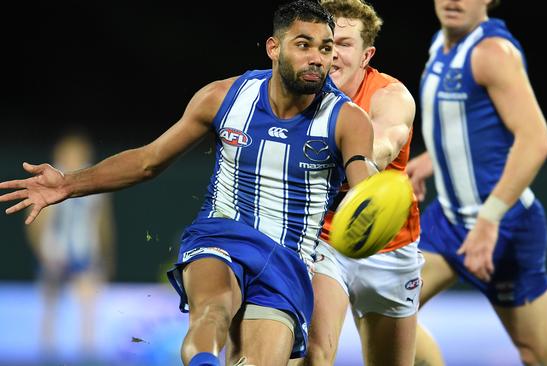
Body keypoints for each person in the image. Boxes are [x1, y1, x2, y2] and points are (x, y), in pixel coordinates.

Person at [0, 1, 380, 365]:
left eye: (326, 48)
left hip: (285, 260)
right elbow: (149, 161)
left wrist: (372, 206)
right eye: (304, 45)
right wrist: (68, 184)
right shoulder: (224, 97)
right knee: (211, 311)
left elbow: (362, 185)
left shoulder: (348, 119)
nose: (318, 57)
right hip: (221, 235)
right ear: (273, 47)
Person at [407, 0, 547, 365]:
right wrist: (433, 161)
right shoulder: (439, 43)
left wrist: (489, 220)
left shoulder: (492, 52)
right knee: (384, 309)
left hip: (503, 227)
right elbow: (469, 127)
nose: (453, 1)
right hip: (449, 221)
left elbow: (536, 140)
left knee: (541, 354)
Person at [299, 1, 423, 365]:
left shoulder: (390, 95)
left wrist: (359, 160)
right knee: (314, 354)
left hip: (390, 243)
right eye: (324, 42)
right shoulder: (296, 92)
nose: (331, 53)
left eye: (344, 44)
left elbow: (385, 142)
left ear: (366, 54)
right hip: (325, 239)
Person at [25, 130, 115, 362]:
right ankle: (47, 353)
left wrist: (106, 255)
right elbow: (35, 222)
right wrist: (43, 252)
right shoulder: (47, 180)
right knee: (51, 306)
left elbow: (103, 222)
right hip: (54, 252)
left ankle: (87, 353)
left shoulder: (94, 182)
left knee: (88, 307)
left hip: (85, 252)